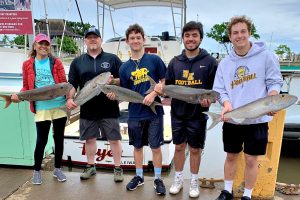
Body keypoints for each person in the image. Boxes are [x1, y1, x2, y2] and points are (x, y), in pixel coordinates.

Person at [213, 15, 283, 200]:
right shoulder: (225, 64)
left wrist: (273, 98)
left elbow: (275, 81)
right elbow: (219, 90)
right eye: (235, 33)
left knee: (252, 159)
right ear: (230, 36)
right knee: (231, 156)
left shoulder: (267, 56)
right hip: (233, 118)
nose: (239, 36)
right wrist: (226, 104)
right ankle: (227, 191)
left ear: (249, 33)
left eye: (243, 31)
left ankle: (247, 195)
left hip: (258, 117)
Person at [155, 21, 218, 198]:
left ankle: (194, 181)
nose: (191, 39)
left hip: (198, 115)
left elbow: (215, 90)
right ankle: (178, 179)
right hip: (177, 113)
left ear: (200, 38)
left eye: (194, 35)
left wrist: (209, 103)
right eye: (187, 35)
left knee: (196, 149)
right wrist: (160, 89)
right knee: (179, 147)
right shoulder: (175, 62)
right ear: (183, 38)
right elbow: (167, 86)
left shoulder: (210, 62)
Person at [66, 27, 124, 182]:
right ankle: (90, 166)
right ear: (85, 40)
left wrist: (115, 89)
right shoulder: (78, 62)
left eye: (95, 37)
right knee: (90, 139)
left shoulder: (112, 59)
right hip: (87, 108)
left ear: (100, 39)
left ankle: (118, 168)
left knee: (114, 139)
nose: (92, 40)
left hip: (109, 107)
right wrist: (70, 99)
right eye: (89, 37)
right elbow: (72, 84)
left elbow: (123, 80)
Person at [11, 33, 68, 184]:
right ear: (35, 46)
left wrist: (69, 99)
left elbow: (64, 83)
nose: (43, 46)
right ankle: (37, 171)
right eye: (40, 44)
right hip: (41, 107)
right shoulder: (27, 64)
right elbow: (26, 85)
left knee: (59, 139)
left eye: (46, 44)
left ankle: (57, 169)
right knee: (41, 140)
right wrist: (19, 95)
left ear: (49, 47)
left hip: (59, 105)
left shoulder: (56, 62)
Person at [118, 24, 167, 195]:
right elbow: (125, 93)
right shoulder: (124, 68)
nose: (136, 41)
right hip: (135, 113)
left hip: (154, 113)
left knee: (155, 147)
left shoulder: (154, 60)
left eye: (139, 37)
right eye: (132, 38)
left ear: (143, 40)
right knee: (137, 147)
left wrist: (154, 93)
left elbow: (164, 81)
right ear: (127, 41)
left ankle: (158, 178)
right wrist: (114, 96)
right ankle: (138, 176)